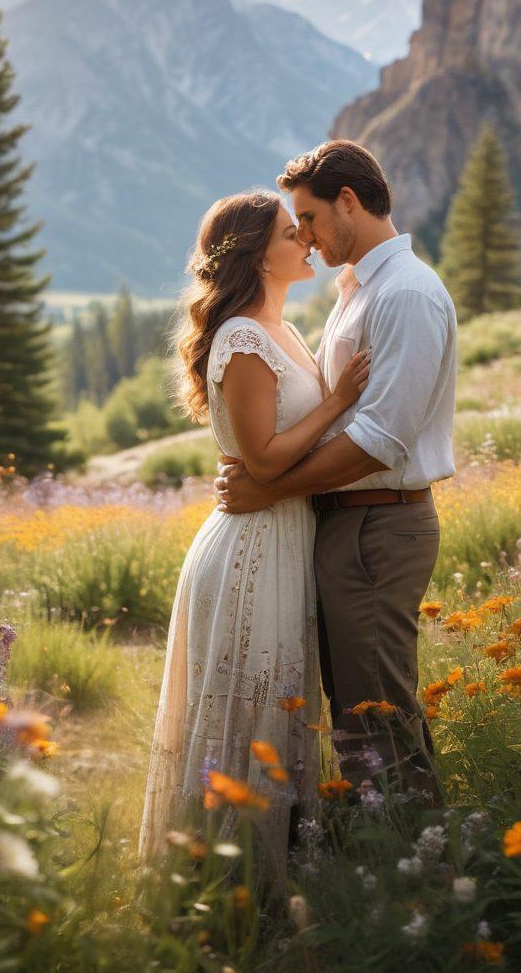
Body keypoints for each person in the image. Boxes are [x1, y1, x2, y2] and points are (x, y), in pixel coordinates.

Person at [216, 140, 457, 800]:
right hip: (347, 525)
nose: (306, 236)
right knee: (358, 709)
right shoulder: (360, 289)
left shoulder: (406, 293)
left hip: (380, 526)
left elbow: (381, 440)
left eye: (310, 218)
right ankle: (387, 837)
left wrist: (268, 487)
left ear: (347, 201)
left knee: (377, 713)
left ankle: (414, 847)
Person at [138, 188, 370, 877]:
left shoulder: (283, 331)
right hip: (252, 546)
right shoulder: (241, 336)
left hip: (285, 534)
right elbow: (263, 459)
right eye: (290, 232)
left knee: (280, 707)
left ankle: (277, 877)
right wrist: (337, 399)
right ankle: (222, 884)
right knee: (251, 709)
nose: (306, 239)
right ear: (257, 255)